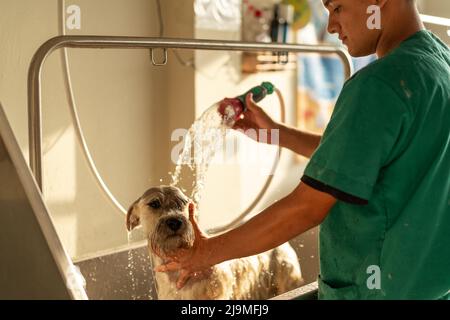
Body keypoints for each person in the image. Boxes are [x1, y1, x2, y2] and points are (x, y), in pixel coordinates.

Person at [156, 0, 450, 299]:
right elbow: (365, 157)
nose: (331, 27)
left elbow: (307, 207)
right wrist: (276, 134)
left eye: (336, 8)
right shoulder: (439, 65)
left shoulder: (377, 85)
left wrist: (207, 252)